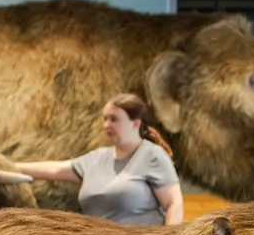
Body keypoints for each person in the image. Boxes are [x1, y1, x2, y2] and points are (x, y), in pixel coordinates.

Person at [15, 93, 184, 226]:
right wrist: (5, 165)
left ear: (135, 123)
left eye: (114, 119)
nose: (106, 125)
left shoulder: (153, 156)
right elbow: (55, 170)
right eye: (105, 119)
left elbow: (173, 203)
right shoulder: (97, 158)